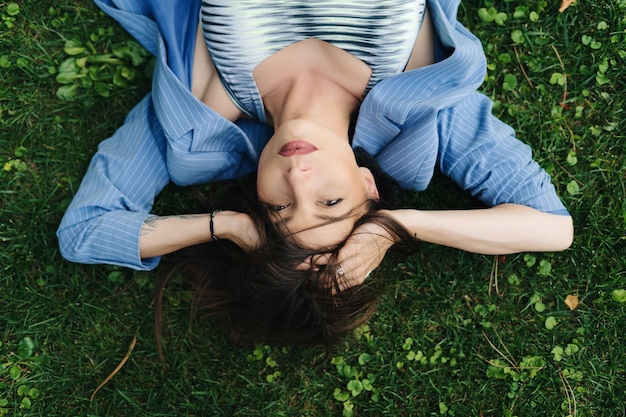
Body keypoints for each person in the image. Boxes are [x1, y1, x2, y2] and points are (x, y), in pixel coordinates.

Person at [57, 0, 573, 347]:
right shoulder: (425, 110)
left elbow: (83, 232)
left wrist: (228, 225)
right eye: (331, 204)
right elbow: (551, 227)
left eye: (278, 208)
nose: (298, 178)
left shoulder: (200, 112)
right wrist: (397, 226)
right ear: (368, 186)